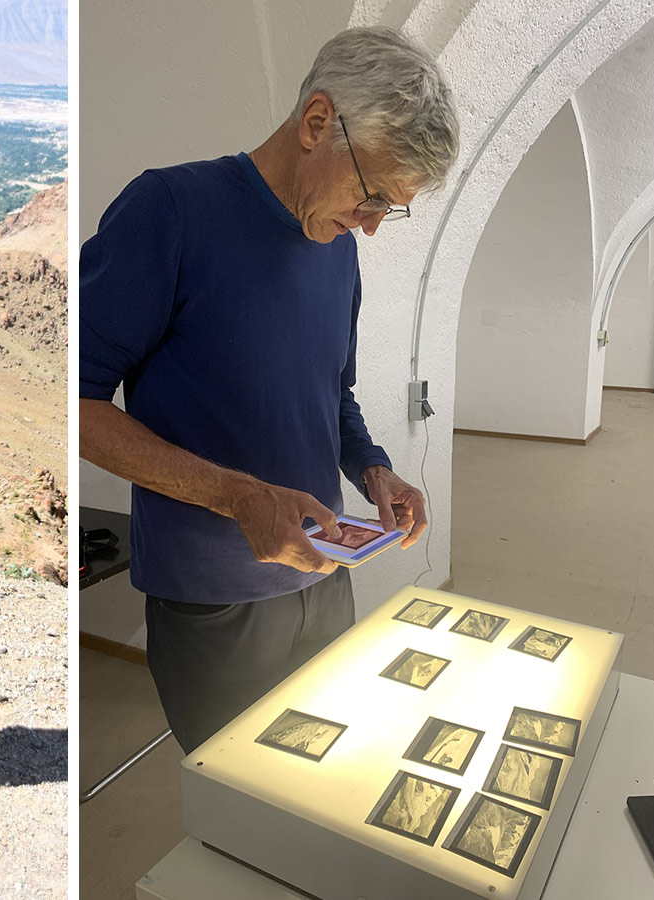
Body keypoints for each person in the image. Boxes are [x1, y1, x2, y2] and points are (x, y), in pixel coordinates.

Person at [79, 26, 459, 754]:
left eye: (392, 208)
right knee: (241, 808)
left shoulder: (338, 247)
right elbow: (76, 402)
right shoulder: (170, 210)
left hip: (325, 575)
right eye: (373, 194)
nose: (371, 227)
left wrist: (373, 469)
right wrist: (239, 498)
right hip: (214, 597)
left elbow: (330, 391)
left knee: (326, 778)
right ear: (317, 122)